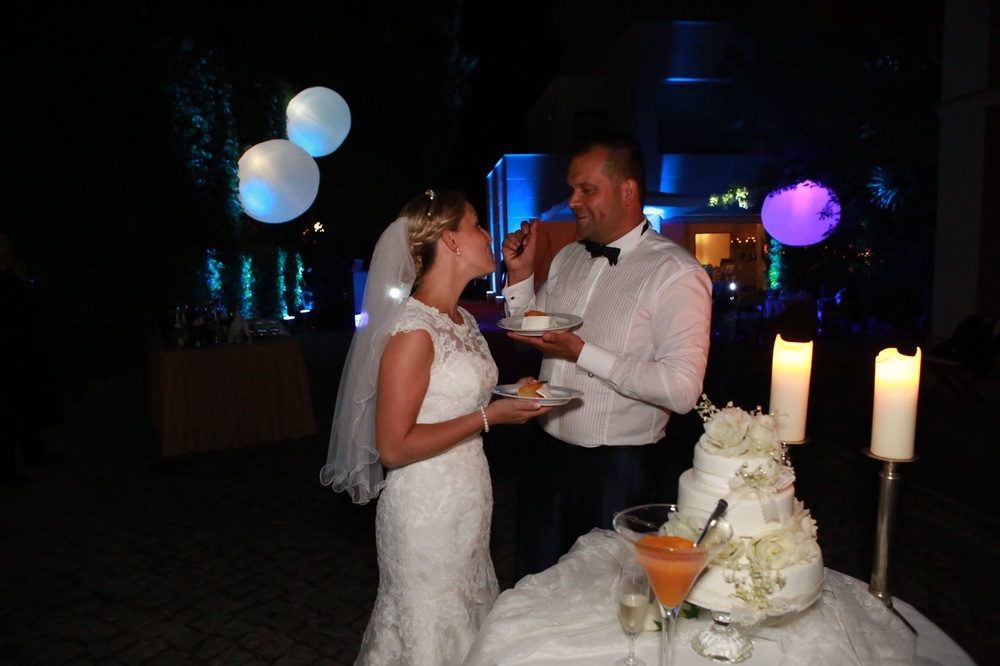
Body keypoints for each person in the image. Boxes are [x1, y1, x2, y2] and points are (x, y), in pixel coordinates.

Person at [320, 190, 551, 665]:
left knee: (467, 620)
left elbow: (449, 399)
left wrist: (509, 393)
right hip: (425, 511)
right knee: (427, 633)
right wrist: (490, 417)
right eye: (477, 225)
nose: (489, 234)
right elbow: (393, 446)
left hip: (468, 498)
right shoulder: (412, 331)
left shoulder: (461, 319)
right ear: (450, 240)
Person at [501, 133, 713, 578]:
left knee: (608, 605)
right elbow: (531, 329)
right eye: (572, 188)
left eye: (586, 189)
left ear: (628, 191)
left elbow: (681, 390)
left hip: (619, 473)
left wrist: (583, 353)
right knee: (535, 589)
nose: (573, 200)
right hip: (545, 458)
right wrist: (520, 275)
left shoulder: (676, 273)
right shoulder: (567, 258)